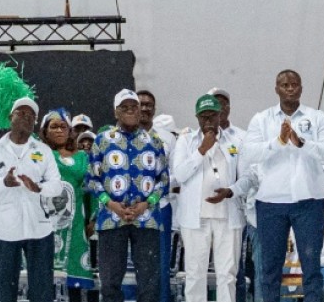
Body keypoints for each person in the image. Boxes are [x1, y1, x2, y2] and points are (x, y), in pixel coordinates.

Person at [244, 70, 324, 302]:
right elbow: (249, 153)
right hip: (270, 203)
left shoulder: (317, 118)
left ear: (301, 88)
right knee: (270, 269)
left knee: (312, 268)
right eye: (285, 85)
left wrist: (303, 143)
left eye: (294, 84)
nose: (290, 88)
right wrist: (278, 142)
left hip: (309, 202)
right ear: (276, 89)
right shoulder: (262, 119)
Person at [0, 97, 63, 302]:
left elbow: (57, 185)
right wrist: (3, 183)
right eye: (21, 113)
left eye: (32, 115)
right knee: (4, 291)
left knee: (42, 292)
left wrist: (39, 187)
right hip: (4, 230)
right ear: (10, 117)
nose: (27, 117)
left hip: (39, 230)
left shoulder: (43, 150)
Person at [88, 89, 169, 302]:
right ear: (116, 112)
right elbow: (92, 180)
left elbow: (163, 180)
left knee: (149, 283)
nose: (131, 111)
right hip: (111, 219)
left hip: (147, 219)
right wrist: (110, 204)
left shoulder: (154, 141)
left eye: (134, 107)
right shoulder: (102, 140)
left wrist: (147, 204)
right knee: (110, 281)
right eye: (125, 107)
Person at [172, 94, 252, 302]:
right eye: (203, 117)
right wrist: (201, 150)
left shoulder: (236, 141)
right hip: (195, 219)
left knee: (228, 275)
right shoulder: (186, 140)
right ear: (197, 118)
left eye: (212, 116)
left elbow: (247, 177)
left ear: (220, 115)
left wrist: (231, 190)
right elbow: (179, 175)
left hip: (228, 217)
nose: (208, 121)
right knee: (195, 274)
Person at [40, 109, 96, 301]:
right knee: (44, 278)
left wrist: (93, 218)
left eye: (63, 126)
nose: (59, 130)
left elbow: (91, 188)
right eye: (53, 126)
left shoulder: (82, 157)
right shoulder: (39, 154)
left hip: (76, 223)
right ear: (45, 131)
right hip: (45, 224)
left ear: (70, 130)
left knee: (74, 284)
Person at [137, 89, 175, 302]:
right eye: (140, 104)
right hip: (129, 209)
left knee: (160, 262)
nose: (144, 108)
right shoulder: (118, 137)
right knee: (132, 263)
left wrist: (151, 192)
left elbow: (175, 173)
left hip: (159, 207)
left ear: (154, 109)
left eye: (148, 105)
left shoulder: (167, 138)